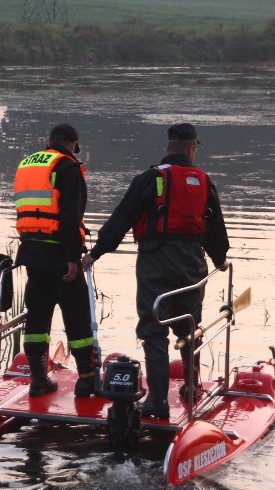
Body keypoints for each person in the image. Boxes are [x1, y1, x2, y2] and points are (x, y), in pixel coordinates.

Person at [82, 123, 229, 419]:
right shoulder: (203, 181)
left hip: (155, 260)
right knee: (189, 325)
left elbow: (122, 218)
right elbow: (215, 227)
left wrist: (95, 254)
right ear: (192, 149)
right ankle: (191, 386)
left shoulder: (150, 178)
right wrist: (219, 259)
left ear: (167, 147)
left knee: (154, 328)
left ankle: (158, 402)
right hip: (192, 262)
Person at [14, 123, 96, 398]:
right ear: (73, 144)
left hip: (32, 255)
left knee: (37, 318)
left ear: (49, 140)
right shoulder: (68, 168)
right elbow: (70, 218)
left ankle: (38, 379)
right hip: (60, 256)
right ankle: (86, 381)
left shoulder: (27, 164)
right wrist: (73, 259)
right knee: (78, 319)